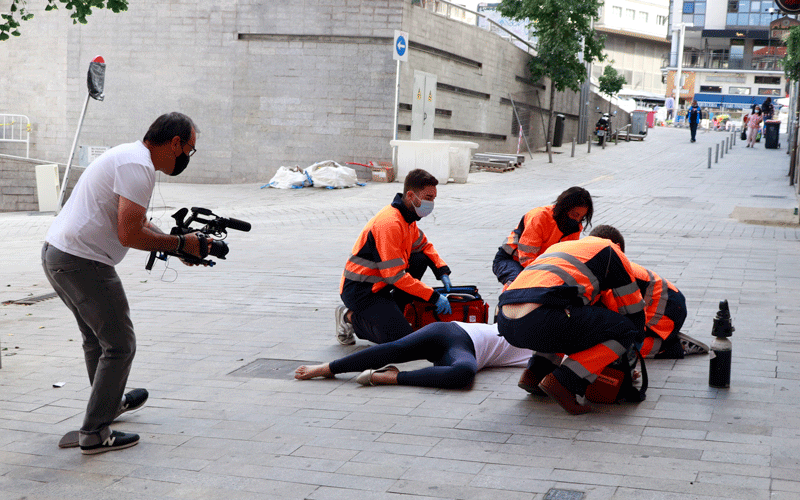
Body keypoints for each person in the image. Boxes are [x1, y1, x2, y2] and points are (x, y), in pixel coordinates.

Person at [42, 112, 206, 454]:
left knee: (97, 340)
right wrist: (180, 244)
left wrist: (178, 248)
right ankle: (94, 433)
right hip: (82, 261)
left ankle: (107, 407)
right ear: (174, 143)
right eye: (189, 150)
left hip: (59, 254)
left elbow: (139, 222)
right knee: (120, 345)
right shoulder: (138, 167)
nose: (186, 158)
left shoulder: (130, 156)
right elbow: (129, 233)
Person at [497, 227, 646, 415]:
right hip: (541, 319)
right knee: (625, 330)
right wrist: (632, 350)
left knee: (565, 318)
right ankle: (564, 381)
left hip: (507, 321)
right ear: (618, 246)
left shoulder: (561, 247)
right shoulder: (611, 250)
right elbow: (634, 311)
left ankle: (535, 374)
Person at [336, 169, 453, 346]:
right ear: (411, 195)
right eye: (428, 198)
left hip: (381, 285)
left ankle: (394, 312)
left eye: (434, 199)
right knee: (398, 340)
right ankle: (348, 316)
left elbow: (424, 246)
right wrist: (433, 296)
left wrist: (441, 269)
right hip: (361, 290)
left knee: (420, 258)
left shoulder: (408, 219)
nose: (432, 203)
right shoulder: (390, 223)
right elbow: (396, 276)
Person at [588, 226, 708, 358]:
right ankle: (665, 339)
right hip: (667, 303)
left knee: (621, 345)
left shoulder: (615, 272)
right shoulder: (610, 267)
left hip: (669, 308)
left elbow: (616, 314)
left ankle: (673, 346)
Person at [296, 322, 532, 389]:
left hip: (463, 352)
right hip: (453, 330)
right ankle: (329, 367)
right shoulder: (548, 335)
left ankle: (392, 377)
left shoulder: (557, 353)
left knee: (463, 374)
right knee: (396, 348)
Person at [492, 187, 593, 287]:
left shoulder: (575, 227)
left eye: (581, 217)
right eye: (575, 214)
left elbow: (567, 257)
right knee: (517, 285)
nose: (577, 220)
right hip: (511, 260)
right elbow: (526, 257)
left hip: (541, 265)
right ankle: (507, 301)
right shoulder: (539, 217)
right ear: (565, 208)